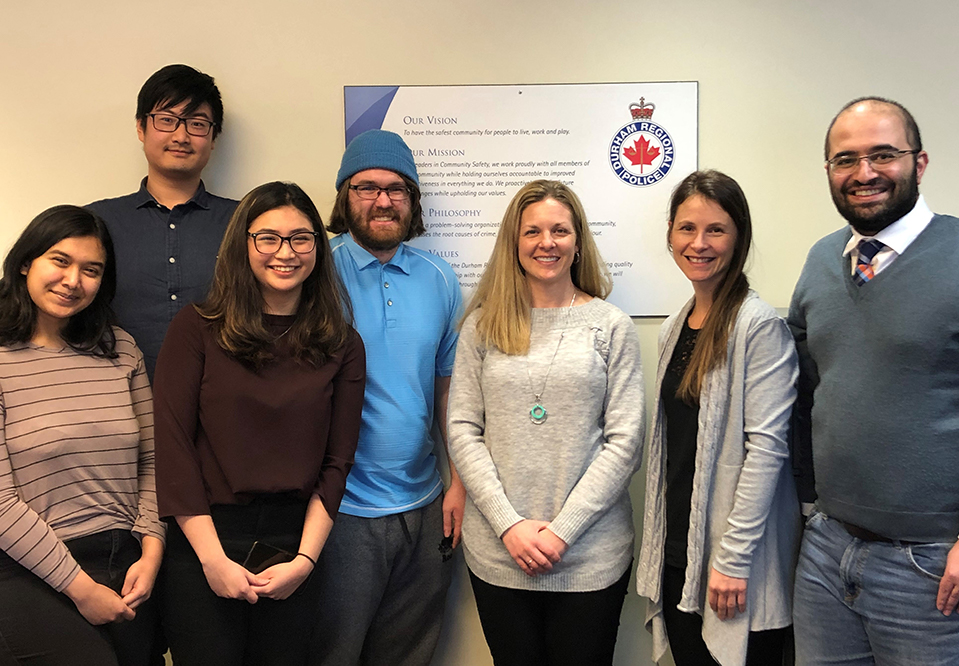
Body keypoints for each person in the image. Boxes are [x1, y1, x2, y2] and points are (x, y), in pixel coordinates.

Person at [788, 97, 959, 664]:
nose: (864, 173)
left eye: (884, 154)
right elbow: (805, 396)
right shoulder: (820, 261)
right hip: (828, 551)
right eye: (845, 159)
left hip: (936, 565)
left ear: (920, 163)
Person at [152, 182, 365, 665]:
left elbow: (337, 463)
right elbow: (173, 449)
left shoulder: (342, 344)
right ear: (243, 244)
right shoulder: (196, 328)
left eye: (300, 238)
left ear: (317, 246)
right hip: (204, 540)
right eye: (268, 238)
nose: (284, 253)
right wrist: (212, 559)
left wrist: (305, 562)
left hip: (295, 545)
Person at [448, 179, 645, 666]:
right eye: (532, 231)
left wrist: (562, 532)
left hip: (590, 557)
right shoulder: (482, 325)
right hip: (499, 552)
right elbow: (462, 428)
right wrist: (509, 525)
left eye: (560, 230)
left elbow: (625, 441)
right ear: (514, 242)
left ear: (578, 241)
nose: (547, 243)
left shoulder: (611, 326)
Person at [311, 129, 465, 666]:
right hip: (337, 511)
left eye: (397, 189)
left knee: (408, 655)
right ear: (343, 196)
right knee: (333, 653)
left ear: (413, 201)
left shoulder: (440, 279)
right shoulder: (314, 271)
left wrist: (458, 482)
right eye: (366, 187)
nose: (382, 200)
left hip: (424, 509)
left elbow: (450, 390)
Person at [634, 171, 799, 666]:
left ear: (739, 237)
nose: (699, 244)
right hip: (680, 554)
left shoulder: (760, 327)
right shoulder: (673, 328)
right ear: (670, 233)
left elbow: (767, 451)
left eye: (716, 230)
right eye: (687, 229)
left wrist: (732, 560)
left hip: (734, 565)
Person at [0, 205, 165, 665]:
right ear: (25, 262)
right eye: (60, 260)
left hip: (127, 562)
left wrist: (151, 550)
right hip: (30, 570)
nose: (73, 280)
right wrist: (80, 588)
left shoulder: (120, 348)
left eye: (91, 270)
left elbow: (152, 462)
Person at [88, 63, 238, 380]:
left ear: (213, 139)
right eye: (167, 121)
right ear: (141, 128)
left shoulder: (244, 221)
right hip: (118, 409)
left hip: (220, 412)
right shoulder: (95, 222)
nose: (181, 136)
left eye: (197, 124)